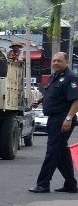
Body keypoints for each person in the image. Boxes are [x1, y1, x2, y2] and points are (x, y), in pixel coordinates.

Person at [28, 52, 78, 194]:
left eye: (59, 61)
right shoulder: (55, 76)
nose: (55, 63)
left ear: (66, 62)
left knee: (53, 151)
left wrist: (68, 118)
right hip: (53, 118)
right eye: (54, 61)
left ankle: (43, 184)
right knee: (61, 151)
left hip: (62, 119)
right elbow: (51, 94)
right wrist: (40, 101)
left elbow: (76, 100)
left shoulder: (71, 78)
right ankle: (70, 184)